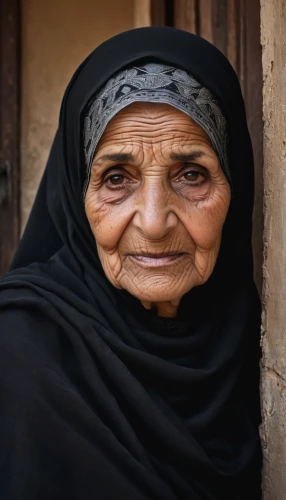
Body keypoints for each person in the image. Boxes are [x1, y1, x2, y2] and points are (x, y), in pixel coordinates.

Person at [0, 27, 262, 499]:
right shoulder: (16, 359)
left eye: (191, 173)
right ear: (77, 193)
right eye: (117, 177)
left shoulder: (257, 348)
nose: (155, 222)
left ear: (235, 190)